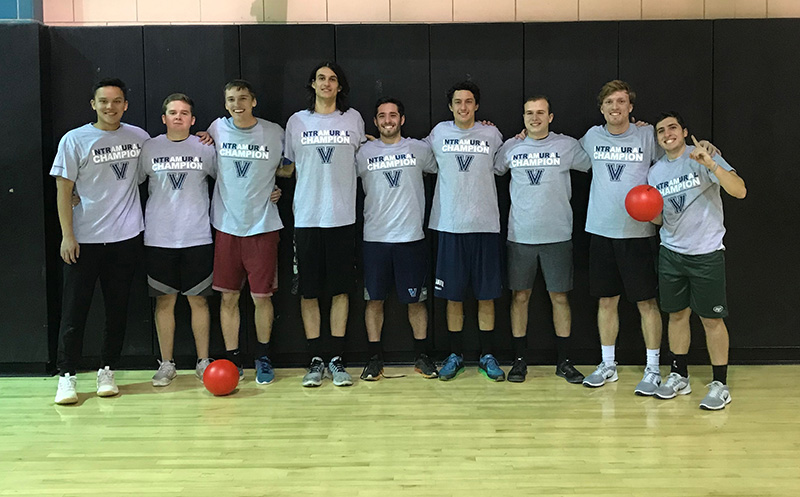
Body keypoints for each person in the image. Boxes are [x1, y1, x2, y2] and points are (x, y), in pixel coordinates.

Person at [51, 78, 149, 405]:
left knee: (117, 310)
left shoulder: (140, 138)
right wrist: (68, 235)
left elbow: (169, 157)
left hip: (125, 240)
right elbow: (64, 190)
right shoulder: (74, 140)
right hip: (84, 241)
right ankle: (66, 377)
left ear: (125, 105)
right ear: (93, 104)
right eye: (104, 101)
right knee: (74, 312)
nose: (111, 107)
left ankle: (107, 370)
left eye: (117, 101)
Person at [647, 112, 746, 410]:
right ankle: (679, 375)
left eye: (672, 127)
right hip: (671, 253)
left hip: (706, 253)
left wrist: (712, 164)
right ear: (658, 139)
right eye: (661, 131)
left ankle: (720, 383)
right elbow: (659, 218)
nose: (667, 133)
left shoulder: (703, 155)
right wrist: (646, 212)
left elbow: (739, 190)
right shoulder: (654, 173)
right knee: (676, 315)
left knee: (712, 319)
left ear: (684, 131)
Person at [494, 96, 591, 383]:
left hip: (558, 235)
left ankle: (564, 361)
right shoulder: (511, 147)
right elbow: (495, 169)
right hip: (520, 235)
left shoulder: (568, 146)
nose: (534, 117)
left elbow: (597, 161)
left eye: (540, 113)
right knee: (520, 297)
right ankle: (519, 360)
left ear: (550, 117)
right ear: (523, 117)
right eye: (529, 113)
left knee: (559, 297)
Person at [280, 62, 365, 387]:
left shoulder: (353, 119)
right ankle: (316, 359)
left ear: (340, 86)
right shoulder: (297, 122)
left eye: (332, 79)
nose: (326, 84)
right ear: (312, 84)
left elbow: (365, 151)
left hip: (343, 218)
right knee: (310, 292)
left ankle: (337, 359)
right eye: (321, 79)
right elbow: (287, 167)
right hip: (307, 219)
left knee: (341, 291)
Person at [206, 80, 285, 385]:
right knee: (228, 298)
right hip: (227, 227)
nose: (236, 104)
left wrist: (277, 187)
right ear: (225, 104)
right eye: (230, 99)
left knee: (262, 298)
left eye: (242, 98)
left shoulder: (274, 132)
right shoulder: (216, 129)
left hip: (263, 227)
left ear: (254, 100)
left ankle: (263, 358)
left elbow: (290, 166)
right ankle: (232, 358)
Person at [426, 80, 505, 381]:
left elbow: (504, 161)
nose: (463, 107)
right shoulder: (438, 134)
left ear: (477, 105)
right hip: (449, 226)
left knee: (487, 296)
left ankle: (487, 355)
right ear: (450, 106)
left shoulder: (492, 134)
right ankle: (455, 355)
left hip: (485, 226)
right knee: (453, 297)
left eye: (469, 101)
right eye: (458, 101)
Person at [355, 97, 439, 381]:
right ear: (376, 121)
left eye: (393, 115)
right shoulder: (362, 153)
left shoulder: (419, 149)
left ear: (402, 119)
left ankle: (421, 356)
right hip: (375, 239)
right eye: (382, 116)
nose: (387, 120)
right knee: (374, 301)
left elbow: (452, 165)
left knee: (416, 302)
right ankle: (374, 358)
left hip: (411, 238)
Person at [139, 93, 216, 386]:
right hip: (159, 238)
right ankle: (167, 363)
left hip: (197, 236)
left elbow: (228, 181)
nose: (179, 117)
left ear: (193, 120)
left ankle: (203, 361)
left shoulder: (205, 148)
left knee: (199, 302)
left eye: (185, 113)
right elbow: (128, 184)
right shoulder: (149, 148)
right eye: (173, 112)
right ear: (164, 118)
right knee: (165, 303)